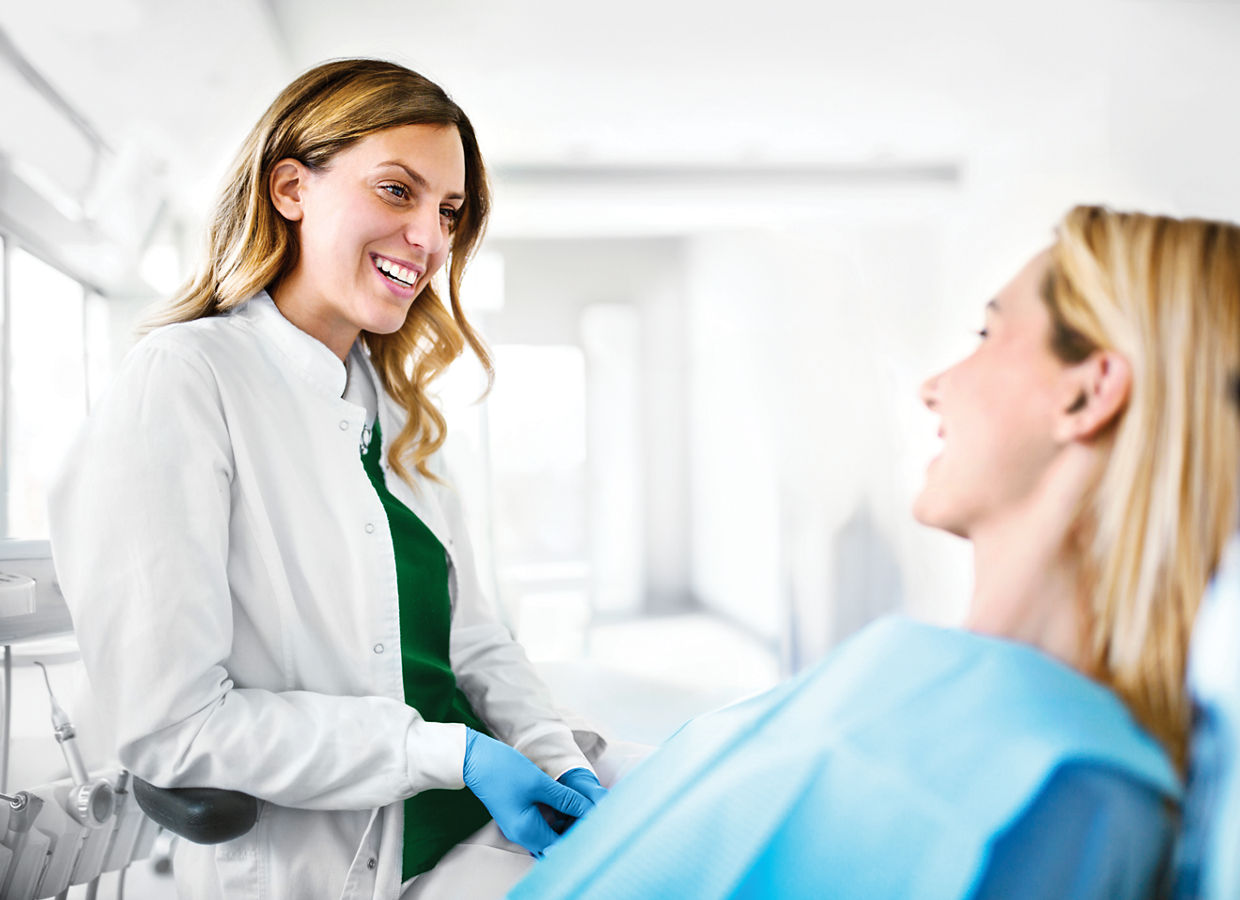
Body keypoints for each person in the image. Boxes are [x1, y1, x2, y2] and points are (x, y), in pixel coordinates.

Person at [509, 206, 1240, 900]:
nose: (932, 386)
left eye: (987, 336)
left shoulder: (1070, 788)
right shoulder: (908, 669)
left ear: (1087, 394)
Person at [47, 59, 609, 900]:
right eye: (396, 191)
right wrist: (448, 753)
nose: (429, 238)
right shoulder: (186, 379)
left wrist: (557, 759)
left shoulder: (396, 403)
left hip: (477, 837)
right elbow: (174, 728)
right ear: (289, 188)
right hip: (342, 867)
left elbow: (475, 641)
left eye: (448, 210)